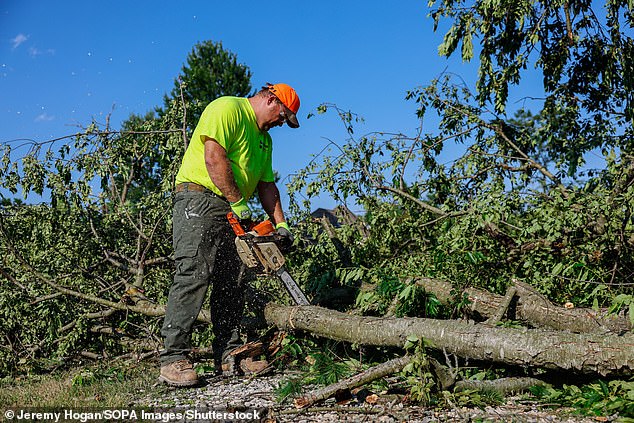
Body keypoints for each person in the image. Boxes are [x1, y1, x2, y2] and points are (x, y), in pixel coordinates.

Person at [158, 83, 300, 386]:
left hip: (236, 206)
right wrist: (237, 201)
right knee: (193, 273)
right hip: (200, 199)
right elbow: (214, 158)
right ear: (271, 100)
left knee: (233, 279)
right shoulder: (228, 108)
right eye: (282, 116)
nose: (280, 124)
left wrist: (281, 225)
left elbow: (266, 186)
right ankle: (173, 357)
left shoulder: (265, 141)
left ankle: (228, 353)